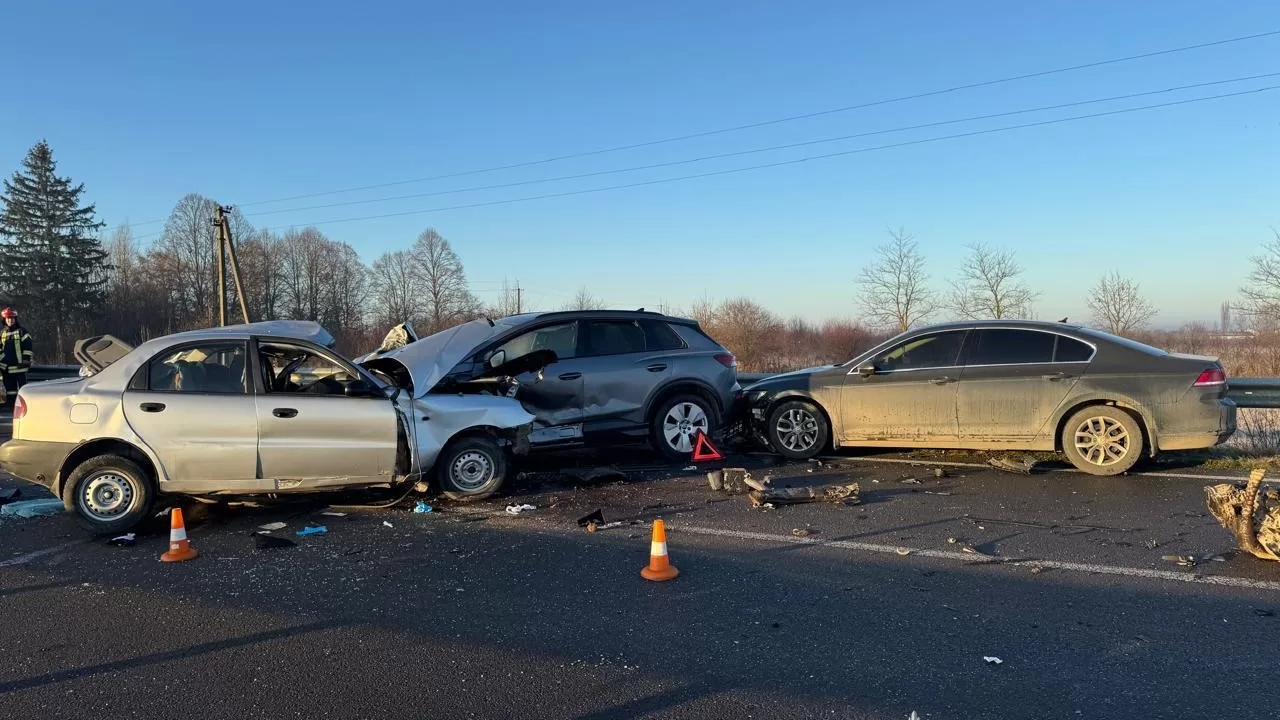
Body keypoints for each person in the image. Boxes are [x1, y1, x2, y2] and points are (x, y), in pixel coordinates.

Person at [1, 307, 33, 400]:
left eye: (12, 318)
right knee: (10, 391)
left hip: (20, 368)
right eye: (8, 319)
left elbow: (28, 346)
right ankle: (11, 408)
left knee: (22, 391)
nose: (10, 320)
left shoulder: (22, 332)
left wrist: (26, 359)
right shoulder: (2, 333)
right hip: (7, 369)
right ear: (5, 320)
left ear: (15, 319)